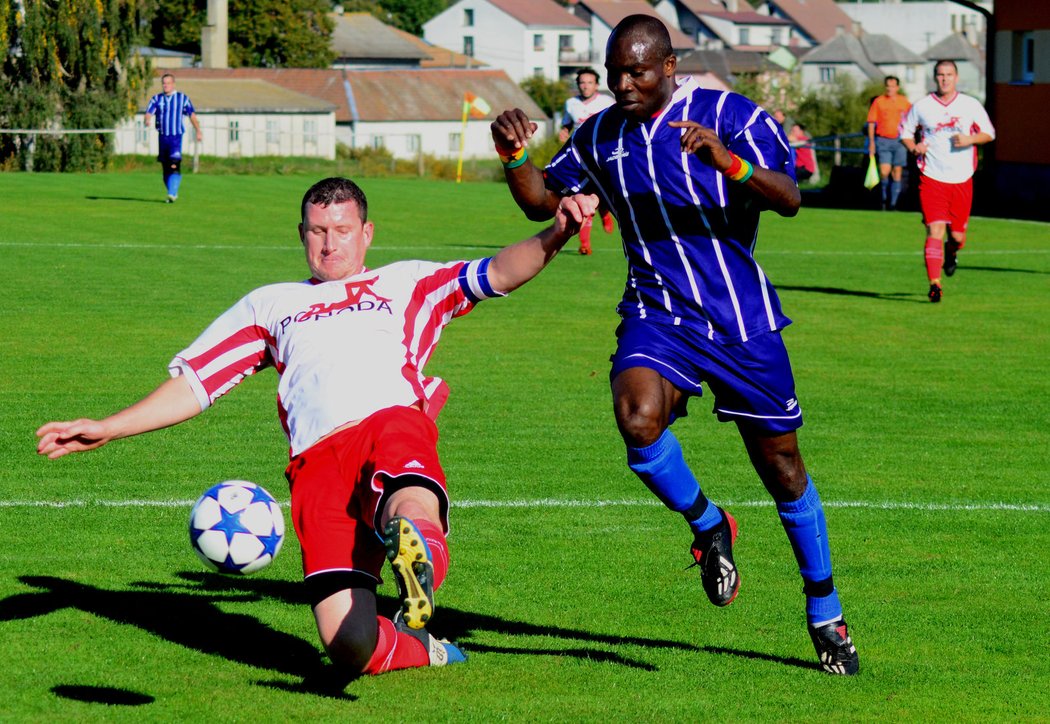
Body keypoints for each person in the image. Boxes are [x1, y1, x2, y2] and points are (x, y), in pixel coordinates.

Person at [36, 177, 598, 677]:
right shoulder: (270, 304)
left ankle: (419, 559)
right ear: (301, 234)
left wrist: (555, 233)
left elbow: (498, 271)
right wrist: (110, 426)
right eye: (317, 231)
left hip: (387, 422)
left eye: (342, 230)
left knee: (405, 495)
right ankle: (421, 645)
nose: (330, 243)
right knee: (347, 647)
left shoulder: (409, 284)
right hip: (315, 467)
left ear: (367, 232)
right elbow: (198, 382)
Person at [490, 15, 859, 675]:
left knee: (783, 471)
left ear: (668, 65)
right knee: (636, 418)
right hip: (656, 313)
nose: (624, 84)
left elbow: (790, 197)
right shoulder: (601, 133)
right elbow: (541, 200)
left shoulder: (728, 113)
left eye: (636, 71)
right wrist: (517, 156)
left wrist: (729, 162)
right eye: (614, 74)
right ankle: (709, 524)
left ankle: (825, 612)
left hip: (741, 321)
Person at [900, 59, 995, 303]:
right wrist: (914, 147)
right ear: (935, 77)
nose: (944, 79)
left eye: (949, 74)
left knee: (956, 237)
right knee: (935, 229)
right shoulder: (922, 106)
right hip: (932, 177)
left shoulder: (969, 105)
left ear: (956, 77)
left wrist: (970, 140)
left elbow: (989, 133)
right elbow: (905, 133)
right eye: (940, 75)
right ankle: (935, 285)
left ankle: (951, 254)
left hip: (962, 179)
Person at [558, 67, 617, 255]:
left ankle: (605, 211)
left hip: (604, 154)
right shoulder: (571, 103)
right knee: (584, 196)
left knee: (605, 191)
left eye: (589, 82)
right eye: (582, 82)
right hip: (581, 156)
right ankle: (585, 244)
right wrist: (565, 130)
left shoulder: (607, 102)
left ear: (597, 85)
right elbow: (567, 122)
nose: (585, 86)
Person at [144, 73, 203, 203]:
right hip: (163, 138)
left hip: (176, 138)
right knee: (166, 169)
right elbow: (148, 112)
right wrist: (147, 120)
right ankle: (173, 193)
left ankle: (171, 192)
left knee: (174, 165)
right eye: (164, 83)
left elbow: (192, 115)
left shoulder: (182, 98)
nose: (166, 85)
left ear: (173, 84)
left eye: (168, 83)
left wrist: (198, 130)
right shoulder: (156, 99)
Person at [866, 76, 912, 210]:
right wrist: (872, 143)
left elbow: (912, 120)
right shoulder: (879, 102)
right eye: (888, 86)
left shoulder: (904, 102)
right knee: (884, 171)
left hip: (899, 141)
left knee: (897, 171)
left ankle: (894, 203)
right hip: (883, 140)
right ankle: (884, 200)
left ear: (897, 87)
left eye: (892, 86)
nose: (890, 89)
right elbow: (871, 123)